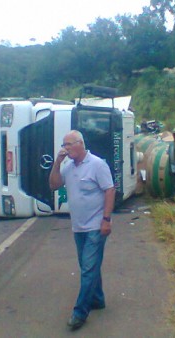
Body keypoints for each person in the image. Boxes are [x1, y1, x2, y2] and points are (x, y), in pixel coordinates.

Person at [49, 130, 115, 331]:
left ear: (80, 144)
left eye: (69, 145)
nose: (66, 148)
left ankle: (80, 312)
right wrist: (57, 163)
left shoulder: (97, 164)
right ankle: (97, 299)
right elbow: (53, 185)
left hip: (96, 225)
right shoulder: (68, 167)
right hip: (78, 227)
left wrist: (106, 219)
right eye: (64, 145)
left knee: (88, 268)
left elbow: (110, 190)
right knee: (88, 266)